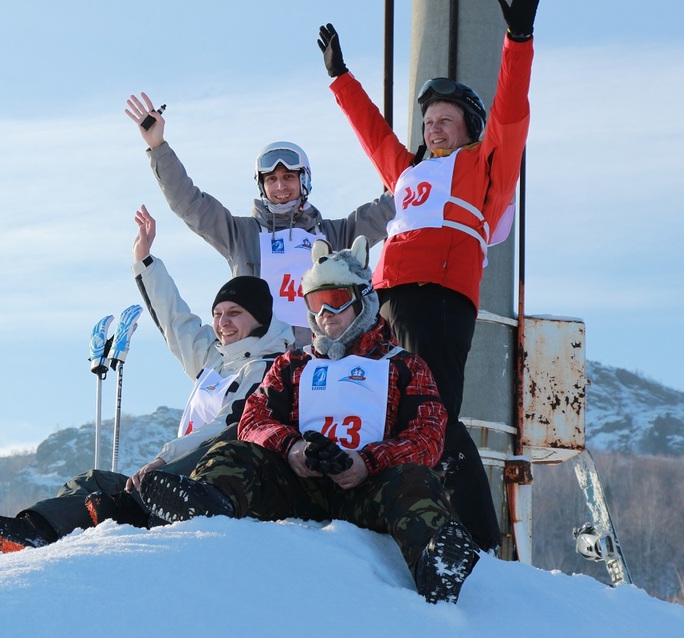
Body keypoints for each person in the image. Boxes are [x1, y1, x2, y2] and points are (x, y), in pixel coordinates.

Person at [139, 237, 480, 604]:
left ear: (362, 300)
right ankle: (208, 503)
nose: (325, 314)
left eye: (335, 301)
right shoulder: (294, 363)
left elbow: (428, 435)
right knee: (235, 450)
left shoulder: (402, 364)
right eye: (316, 304)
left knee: (416, 480)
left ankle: (436, 563)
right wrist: (293, 447)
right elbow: (254, 418)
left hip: (370, 489)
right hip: (300, 486)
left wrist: (368, 462)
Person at [313, 0, 540, 551]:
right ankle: (397, 515)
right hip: (389, 296)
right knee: (392, 405)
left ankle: (482, 537)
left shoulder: (485, 166)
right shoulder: (410, 171)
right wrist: (340, 79)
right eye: (428, 120)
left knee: (435, 410)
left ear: (469, 129)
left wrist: (518, 39)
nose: (433, 127)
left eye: (445, 120)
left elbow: (511, 113)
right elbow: (373, 134)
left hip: (438, 296)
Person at [0, 206, 294, 553]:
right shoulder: (215, 358)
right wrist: (145, 262)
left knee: (141, 486)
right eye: (218, 314)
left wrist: (164, 460)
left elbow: (227, 425)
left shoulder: (268, 369)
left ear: (258, 319)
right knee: (93, 480)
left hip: (206, 481)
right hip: (170, 472)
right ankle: (30, 531)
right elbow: (175, 320)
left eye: (235, 314)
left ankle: (122, 516)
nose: (222, 322)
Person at [125, 93, 397, 345]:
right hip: (260, 361)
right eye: (271, 180)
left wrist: (430, 168)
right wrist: (158, 147)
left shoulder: (336, 235)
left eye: (289, 177)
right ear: (261, 185)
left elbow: (393, 204)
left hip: (319, 358)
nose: (280, 187)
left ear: (305, 181)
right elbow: (190, 203)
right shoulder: (240, 234)